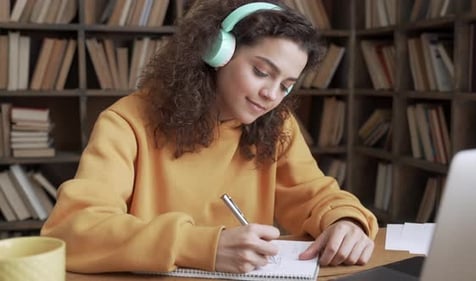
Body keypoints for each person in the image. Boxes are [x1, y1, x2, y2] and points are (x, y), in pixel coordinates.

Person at [41, 0, 378, 274]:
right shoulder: (126, 122)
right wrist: (204, 246)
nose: (272, 95)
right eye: (261, 72)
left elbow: (312, 194)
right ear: (217, 53)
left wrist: (344, 220)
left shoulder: (278, 125)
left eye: (286, 85)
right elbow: (74, 232)